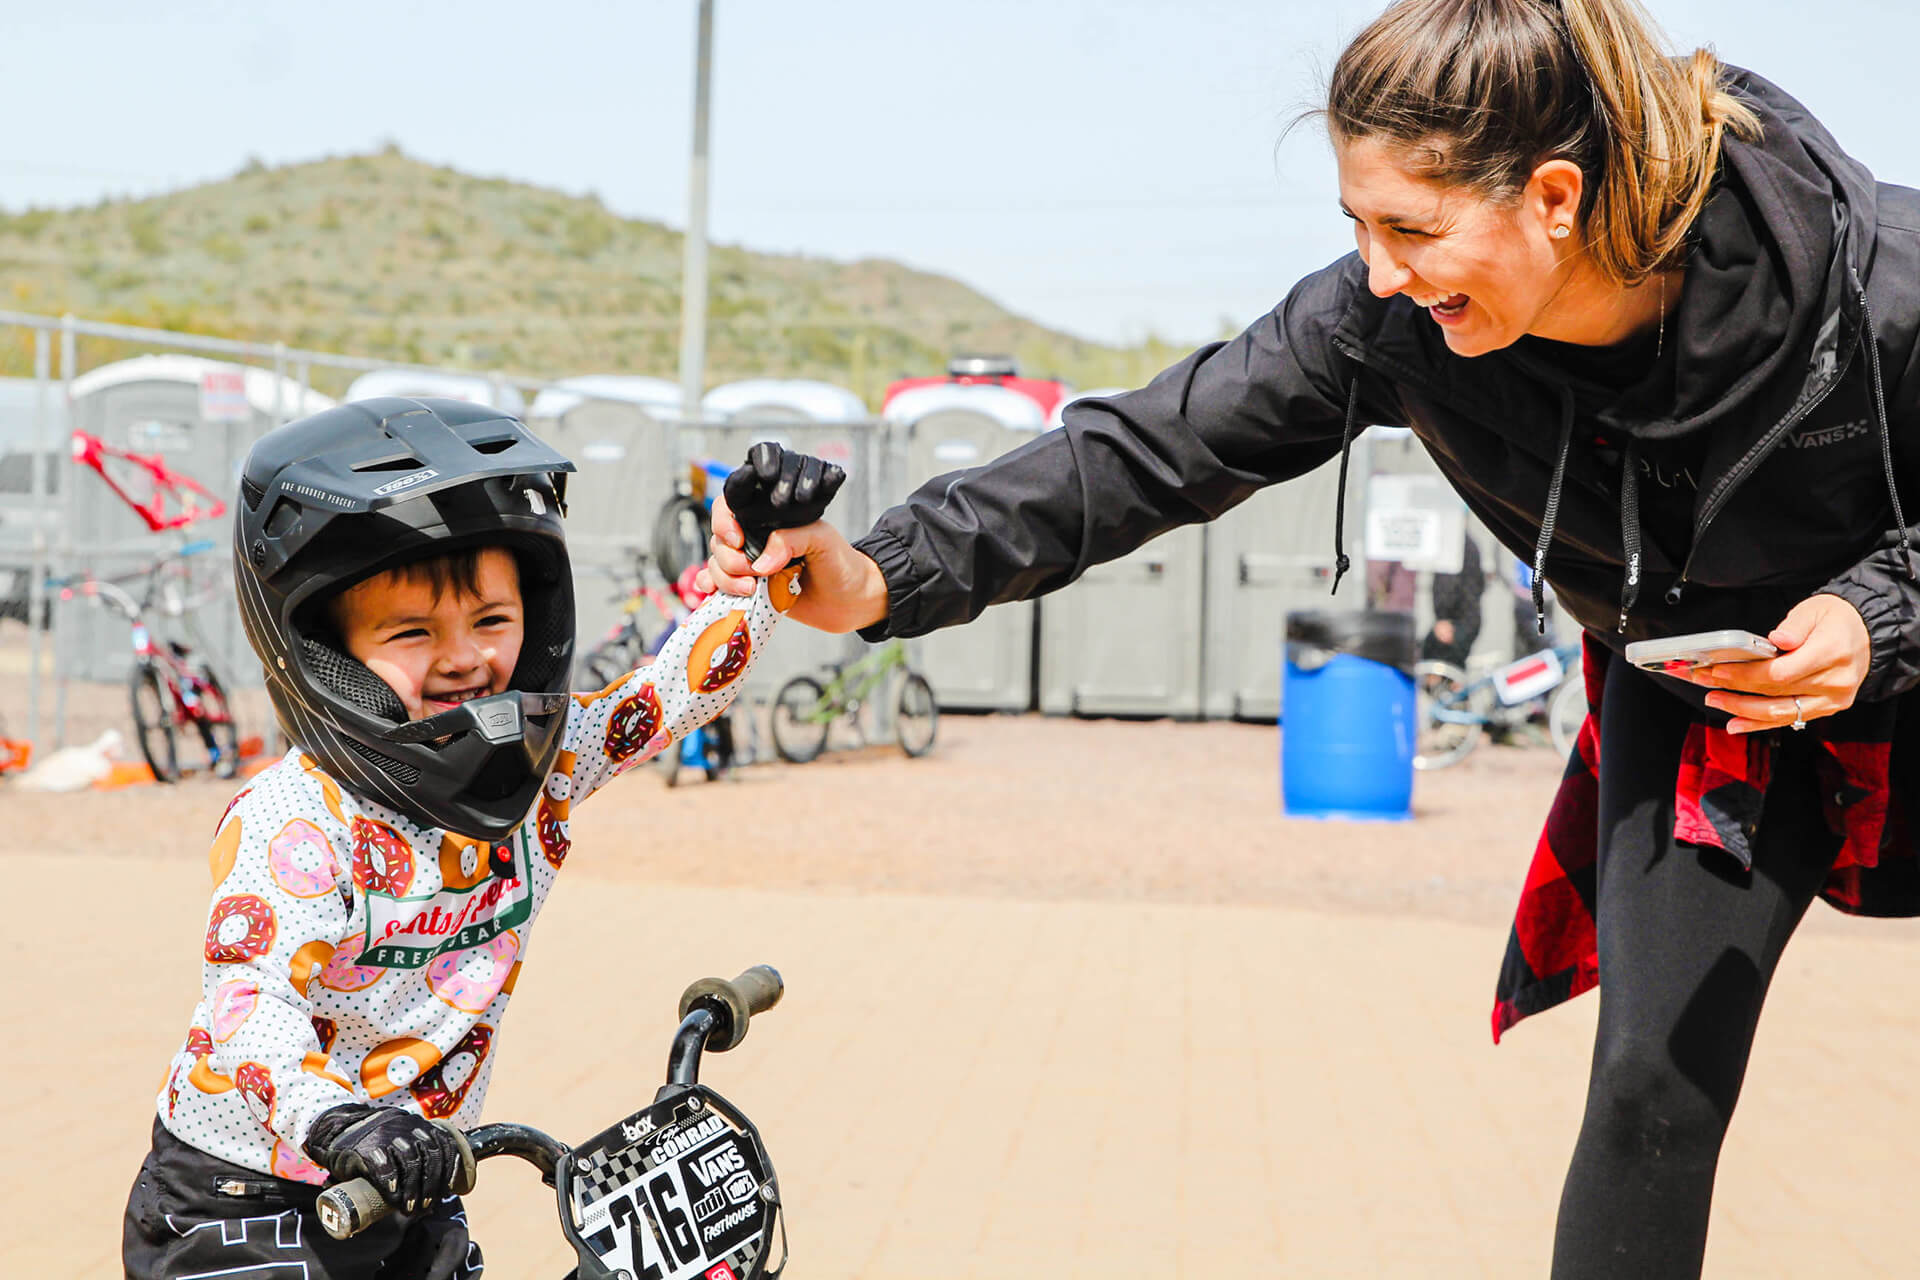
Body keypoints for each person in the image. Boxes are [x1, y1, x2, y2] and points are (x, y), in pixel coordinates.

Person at [704, 2, 1920, 1274]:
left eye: (1412, 226)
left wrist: (1878, 613)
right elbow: (1149, 449)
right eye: (1357, 224)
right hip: (1706, 693)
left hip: (1900, 652)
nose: (1381, 271)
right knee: (1649, 1092)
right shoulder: (1393, 321)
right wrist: (872, 573)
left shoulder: (1871, 284)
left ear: (1554, 195)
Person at [122, 400, 841, 1280]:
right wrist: (340, 1121)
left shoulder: (544, 775)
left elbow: (668, 694)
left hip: (418, 1181)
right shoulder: (298, 820)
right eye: (413, 632)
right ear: (325, 651)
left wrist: (765, 564)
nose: (466, 658)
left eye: (493, 621)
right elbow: (249, 1002)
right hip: (247, 1194)